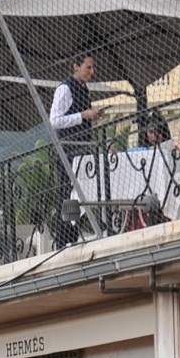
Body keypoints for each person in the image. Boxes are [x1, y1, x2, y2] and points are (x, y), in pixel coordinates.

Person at [47, 54, 106, 248]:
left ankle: (74, 232)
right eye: (88, 67)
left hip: (81, 149)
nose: (92, 72)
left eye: (93, 67)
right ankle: (64, 238)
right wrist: (82, 115)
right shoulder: (65, 89)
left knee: (79, 191)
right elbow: (54, 120)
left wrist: (91, 116)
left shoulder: (83, 89)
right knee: (67, 192)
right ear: (76, 67)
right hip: (68, 149)